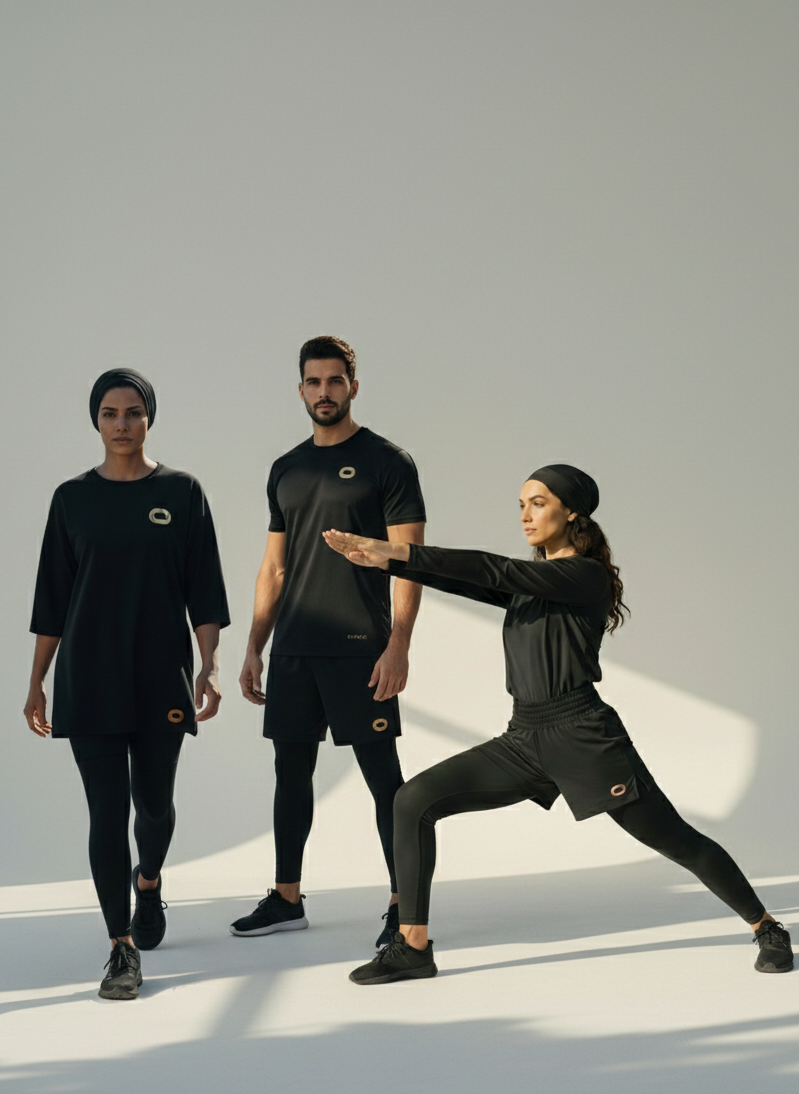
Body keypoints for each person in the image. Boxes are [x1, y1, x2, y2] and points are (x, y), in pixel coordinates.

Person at [323, 463, 793, 984]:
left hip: (583, 737)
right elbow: (467, 579)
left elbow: (491, 569)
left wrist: (395, 551)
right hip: (524, 739)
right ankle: (412, 947)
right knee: (411, 802)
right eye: (521, 505)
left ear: (572, 512)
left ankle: (767, 926)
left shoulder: (583, 577)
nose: (525, 515)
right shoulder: (534, 585)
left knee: (674, 839)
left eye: (538, 503)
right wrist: (383, 563)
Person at [24, 369, 230, 1001]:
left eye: (133, 413)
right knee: (106, 812)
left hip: (158, 674)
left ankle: (149, 882)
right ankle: (121, 946)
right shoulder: (71, 499)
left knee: (155, 806)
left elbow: (205, 587)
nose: (121, 424)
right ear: (96, 420)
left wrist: (210, 664)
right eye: (110, 413)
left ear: (149, 418)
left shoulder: (182, 491)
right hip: (88, 676)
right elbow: (52, 599)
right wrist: (36, 682)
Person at [234, 335, 426, 945]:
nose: (324, 392)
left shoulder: (388, 463)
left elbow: (410, 561)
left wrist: (399, 645)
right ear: (301, 390)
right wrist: (255, 646)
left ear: (353, 386)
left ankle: (404, 903)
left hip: (359, 648)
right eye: (313, 382)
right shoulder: (285, 468)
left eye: (334, 381)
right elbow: (274, 568)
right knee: (290, 773)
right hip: (294, 649)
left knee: (383, 778)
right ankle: (287, 898)